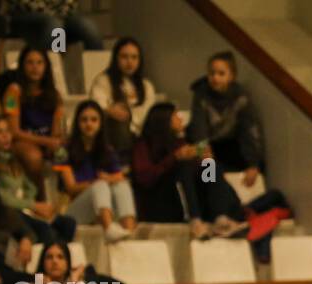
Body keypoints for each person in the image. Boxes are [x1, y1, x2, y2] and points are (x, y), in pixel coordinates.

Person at [186, 51, 262, 239]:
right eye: (212, 73)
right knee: (210, 168)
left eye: (221, 73)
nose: (215, 78)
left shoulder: (241, 96)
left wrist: (253, 163)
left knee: (217, 171)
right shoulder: (201, 93)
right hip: (204, 148)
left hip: (229, 148)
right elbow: (198, 127)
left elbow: (249, 130)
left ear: (232, 76)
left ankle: (224, 216)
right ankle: (219, 217)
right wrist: (204, 150)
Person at [0, 112, 74, 246]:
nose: (6, 136)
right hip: (4, 212)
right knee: (45, 231)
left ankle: (59, 260)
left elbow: (30, 187)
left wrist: (31, 204)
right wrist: (32, 205)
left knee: (68, 224)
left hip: (25, 209)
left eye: (8, 131)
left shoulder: (12, 159)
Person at [54, 99, 137, 242]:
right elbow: (71, 187)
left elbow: (120, 178)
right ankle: (108, 228)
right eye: (84, 120)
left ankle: (129, 232)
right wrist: (98, 182)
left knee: (122, 186)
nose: (89, 124)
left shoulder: (107, 150)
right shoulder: (64, 150)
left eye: (94, 120)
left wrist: (108, 180)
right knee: (100, 185)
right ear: (77, 123)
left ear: (100, 124)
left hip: (102, 205)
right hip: (74, 210)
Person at [133, 102, 209, 238]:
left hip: (180, 199)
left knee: (211, 165)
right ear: (165, 119)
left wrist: (206, 160)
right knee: (183, 166)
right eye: (175, 115)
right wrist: (174, 158)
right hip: (157, 202)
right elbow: (145, 177)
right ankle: (195, 219)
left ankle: (219, 215)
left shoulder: (180, 142)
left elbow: (205, 179)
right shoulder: (143, 145)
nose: (180, 119)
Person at [0, 44, 63, 184]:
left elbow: (56, 131)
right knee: (33, 157)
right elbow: (13, 131)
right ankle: (39, 198)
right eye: (30, 62)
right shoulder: (13, 92)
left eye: (39, 63)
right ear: (22, 66)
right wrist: (46, 141)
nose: (35, 67)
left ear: (46, 67)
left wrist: (55, 143)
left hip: (47, 141)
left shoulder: (55, 95)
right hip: (21, 141)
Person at [89, 37, 156, 165]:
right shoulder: (103, 80)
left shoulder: (146, 85)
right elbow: (96, 105)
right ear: (116, 58)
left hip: (140, 131)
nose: (129, 62)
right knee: (118, 119)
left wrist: (130, 115)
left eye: (134, 57)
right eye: (124, 57)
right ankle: (121, 165)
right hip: (113, 132)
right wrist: (109, 110)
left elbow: (147, 111)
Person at [5, 0, 103, 52]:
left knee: (89, 27)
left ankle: (98, 77)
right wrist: (53, 15)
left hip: (60, 15)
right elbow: (24, 4)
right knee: (55, 26)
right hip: (24, 14)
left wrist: (61, 14)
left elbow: (70, 3)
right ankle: (51, 73)